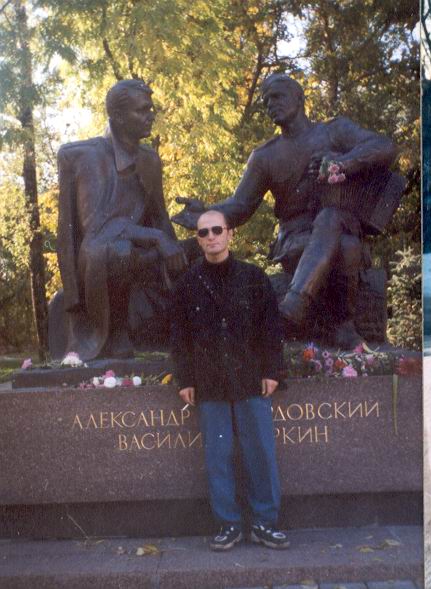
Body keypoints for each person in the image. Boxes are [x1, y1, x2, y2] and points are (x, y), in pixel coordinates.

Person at [172, 73, 399, 348]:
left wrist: (342, 163)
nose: (270, 104)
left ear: (299, 98)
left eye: (277, 96)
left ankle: (297, 308)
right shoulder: (265, 156)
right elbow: (241, 205)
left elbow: (385, 147)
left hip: (342, 227)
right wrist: (205, 213)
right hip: (296, 240)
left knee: (338, 228)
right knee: (345, 243)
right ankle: (340, 325)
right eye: (266, 101)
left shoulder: (334, 131)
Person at [170, 209, 289, 551]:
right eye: (203, 232)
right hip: (209, 384)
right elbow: (179, 337)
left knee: (260, 454)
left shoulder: (254, 278)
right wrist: (185, 379)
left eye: (216, 230)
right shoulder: (187, 285)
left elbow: (271, 328)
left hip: (251, 380)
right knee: (218, 458)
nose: (211, 237)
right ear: (198, 240)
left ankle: (265, 523)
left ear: (230, 233)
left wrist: (272, 371)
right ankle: (228, 525)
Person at [54, 79, 186, 361]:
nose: (151, 115)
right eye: (142, 110)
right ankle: (116, 333)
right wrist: (157, 238)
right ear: (117, 115)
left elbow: (159, 217)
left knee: (206, 251)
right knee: (118, 251)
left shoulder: (150, 159)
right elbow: (98, 228)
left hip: (142, 255)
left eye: (151, 109)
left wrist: (178, 248)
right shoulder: (85, 156)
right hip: (100, 259)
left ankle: (191, 342)